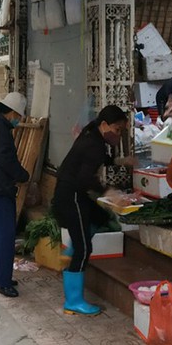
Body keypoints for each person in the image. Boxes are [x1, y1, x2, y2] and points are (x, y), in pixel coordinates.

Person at [52, 105, 134, 315]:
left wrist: (119, 161)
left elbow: (93, 161)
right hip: (72, 196)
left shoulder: (92, 135)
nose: (118, 135)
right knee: (85, 249)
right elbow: (85, 179)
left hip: (70, 193)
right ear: (105, 125)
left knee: (100, 216)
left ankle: (72, 248)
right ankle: (74, 301)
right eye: (117, 130)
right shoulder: (93, 144)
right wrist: (109, 192)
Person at [0, 92, 30, 298]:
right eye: (18, 116)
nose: (19, 120)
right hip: (1, 188)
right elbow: (6, 160)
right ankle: (3, 282)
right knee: (5, 236)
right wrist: (23, 175)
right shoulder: (0, 129)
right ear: (11, 112)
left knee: (0, 235)